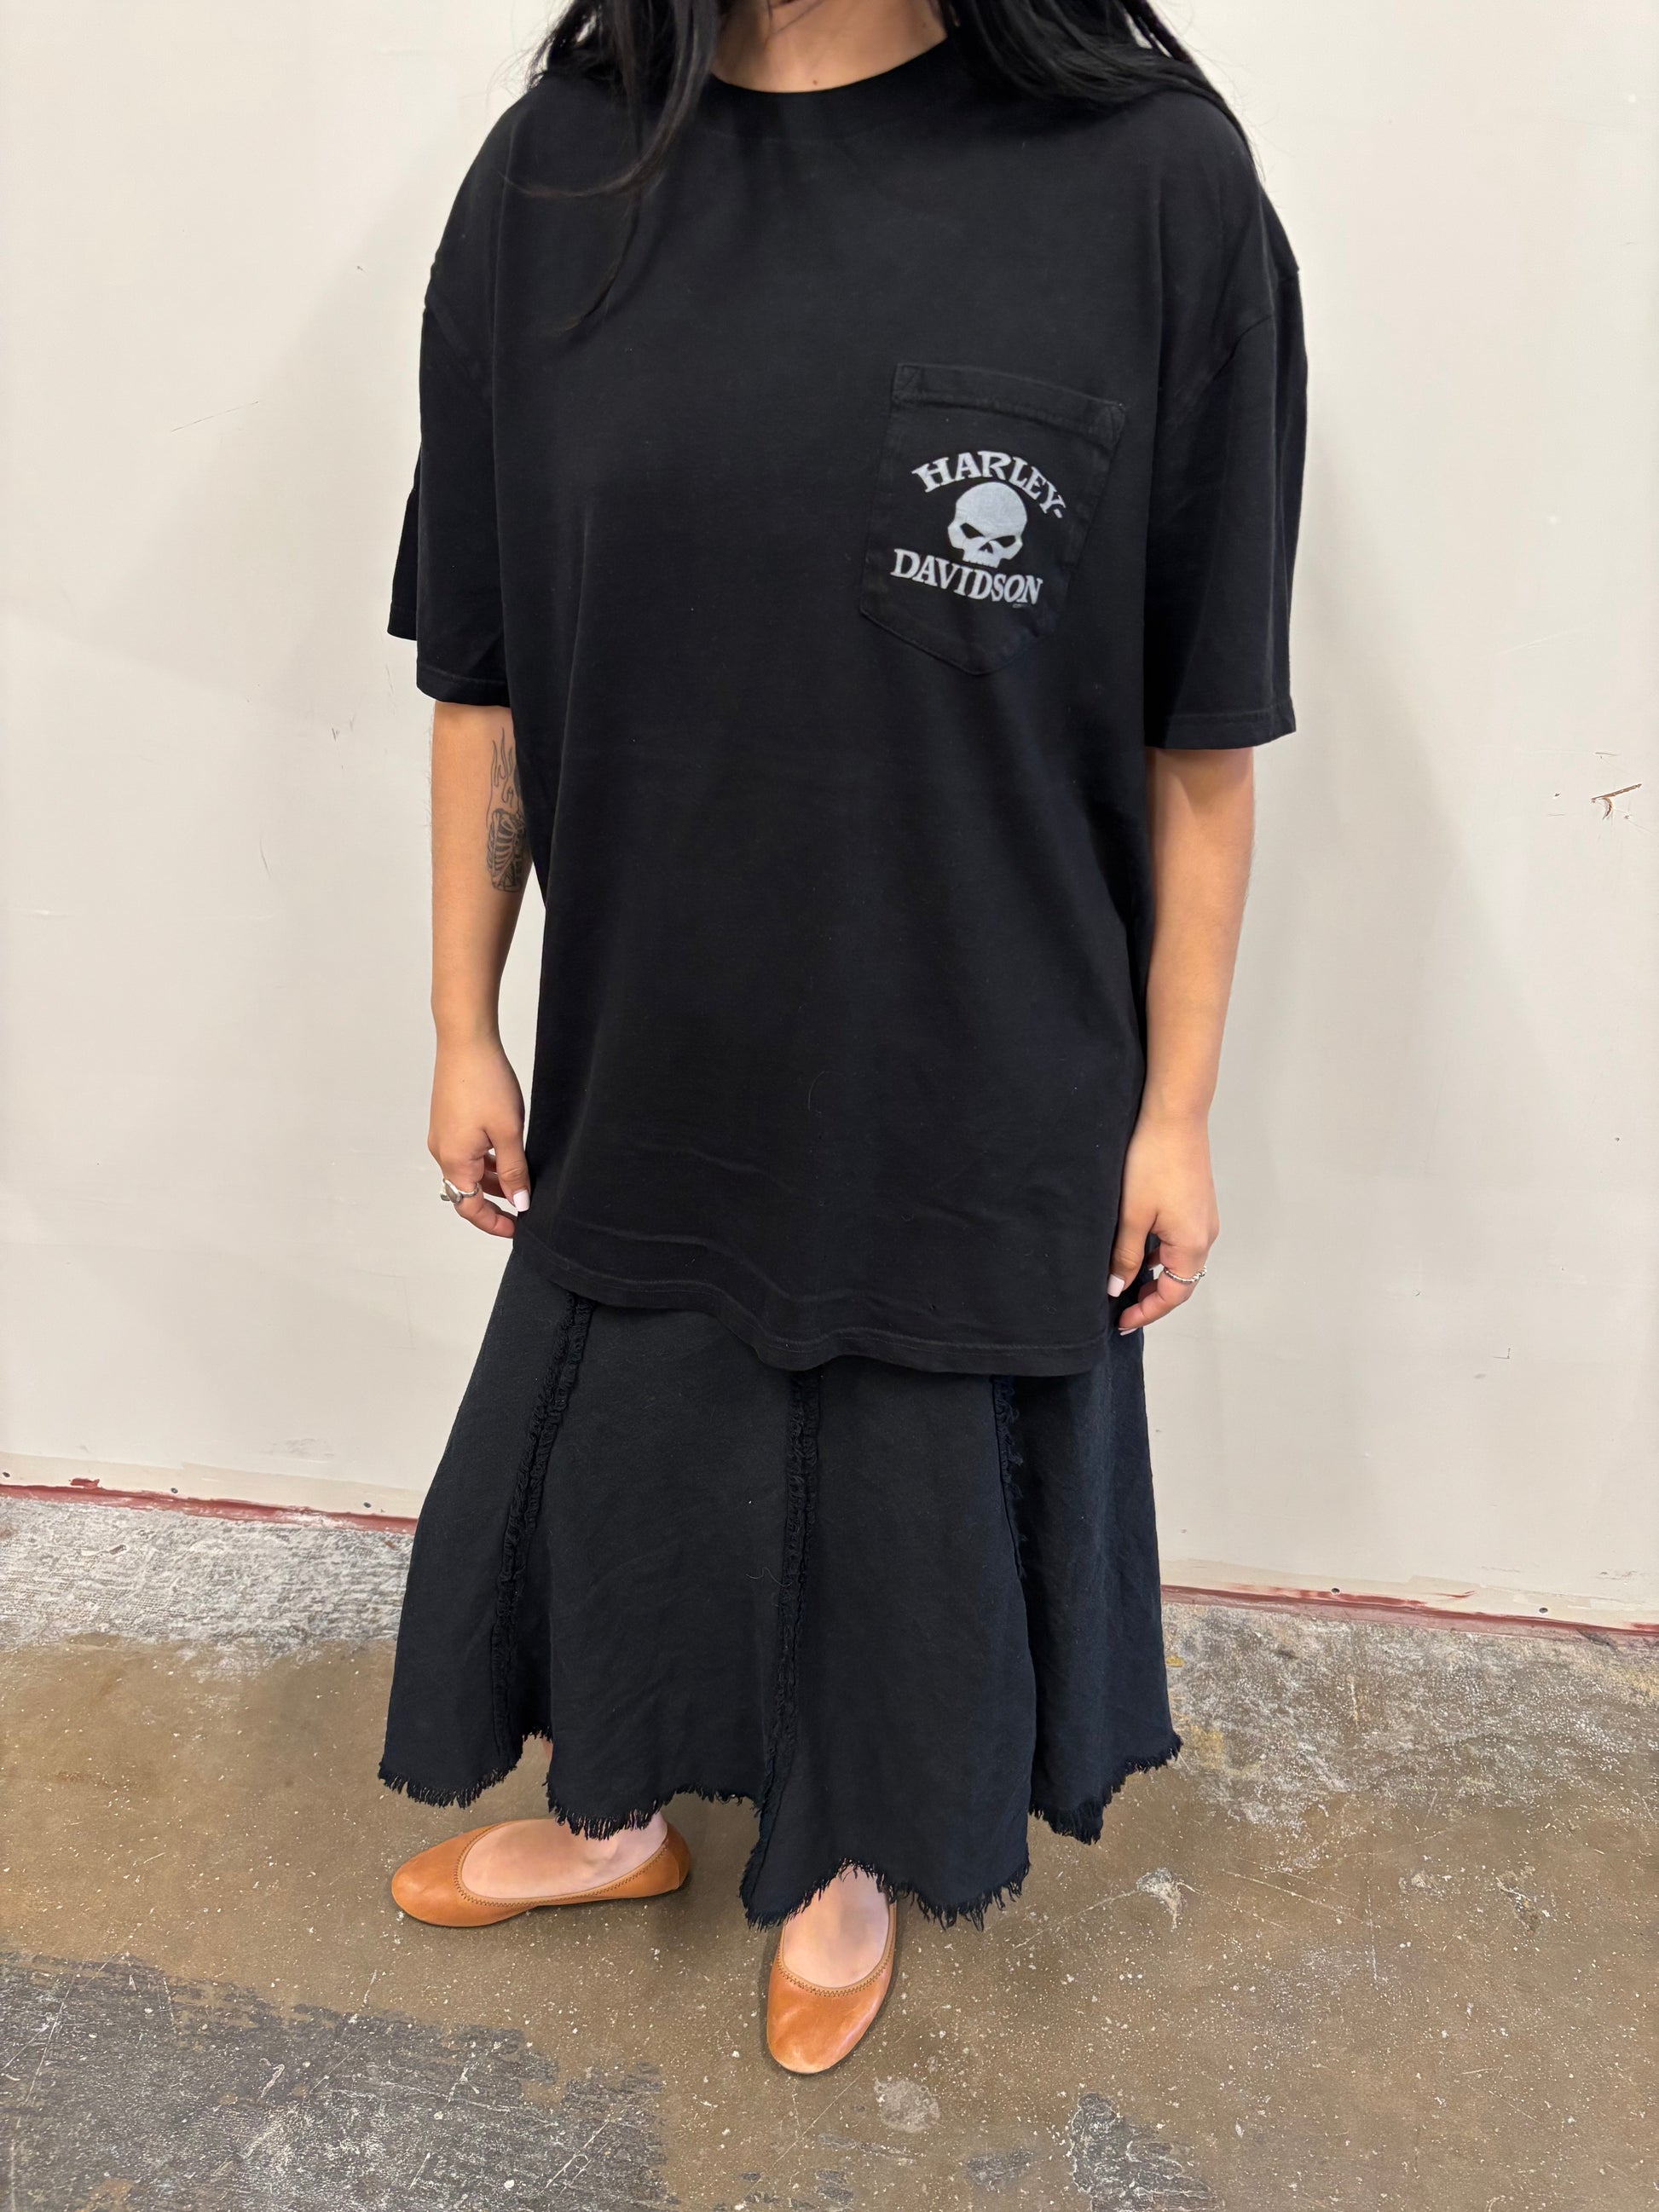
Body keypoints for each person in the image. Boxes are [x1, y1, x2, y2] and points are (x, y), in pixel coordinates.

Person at [379, 0, 1304, 2076]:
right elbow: (482, 672)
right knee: (630, 1445)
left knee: (903, 1490)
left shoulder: (1154, 186)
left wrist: (1176, 1108)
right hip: (655, 1036)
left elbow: (1203, 730)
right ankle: (616, 1811)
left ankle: (847, 1854)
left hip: (982, 1055)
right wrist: (461, 1017)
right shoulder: (559, 177)